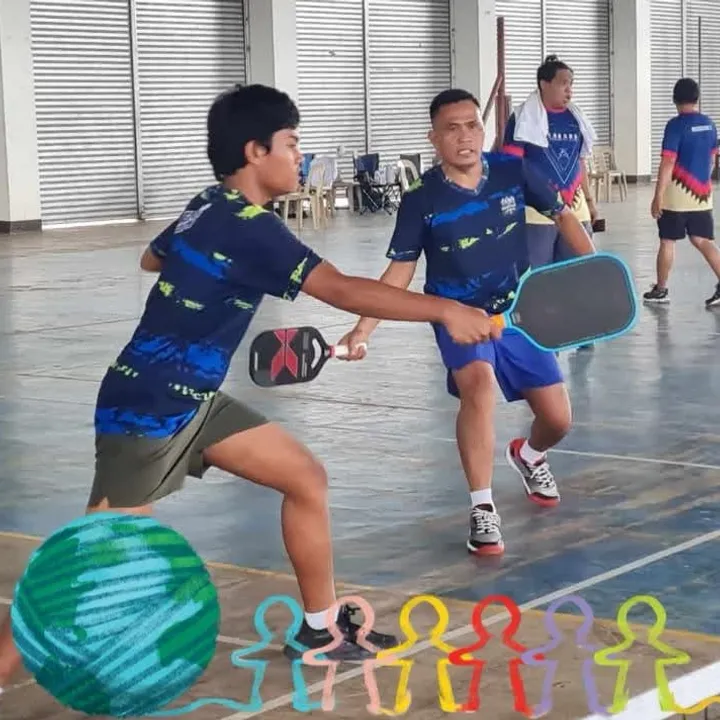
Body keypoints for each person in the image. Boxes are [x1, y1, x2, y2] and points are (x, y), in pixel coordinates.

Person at [0, 84, 503, 693]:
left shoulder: (208, 204)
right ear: (255, 152)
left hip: (196, 399)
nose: (300, 156)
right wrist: (444, 309)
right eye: (291, 144)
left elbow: (152, 260)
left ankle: (320, 631)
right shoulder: (250, 228)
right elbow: (342, 289)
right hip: (149, 408)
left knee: (304, 478)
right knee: (89, 567)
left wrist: (206, 271)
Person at [337, 88, 595, 557]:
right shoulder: (421, 198)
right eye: (451, 128)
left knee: (558, 420)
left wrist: (597, 273)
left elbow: (563, 216)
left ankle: (529, 455)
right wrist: (363, 329)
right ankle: (482, 507)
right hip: (458, 316)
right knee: (478, 386)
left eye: (472, 125)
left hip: (519, 312)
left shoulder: (513, 171)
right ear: (433, 138)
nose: (464, 136)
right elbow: (400, 270)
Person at [502, 55, 598, 269]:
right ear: (544, 84)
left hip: (575, 208)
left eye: (571, 84)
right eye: (563, 83)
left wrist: (590, 201)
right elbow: (511, 165)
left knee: (577, 271)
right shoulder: (523, 119)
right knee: (536, 274)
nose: (569, 90)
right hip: (536, 213)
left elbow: (579, 162)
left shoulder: (577, 119)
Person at [645, 77, 720, 307]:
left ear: (674, 99)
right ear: (697, 98)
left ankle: (661, 290)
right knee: (702, 240)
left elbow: (668, 162)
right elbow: (712, 158)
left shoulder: (676, 126)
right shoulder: (709, 124)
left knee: (668, 240)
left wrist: (658, 196)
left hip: (676, 196)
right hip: (702, 195)